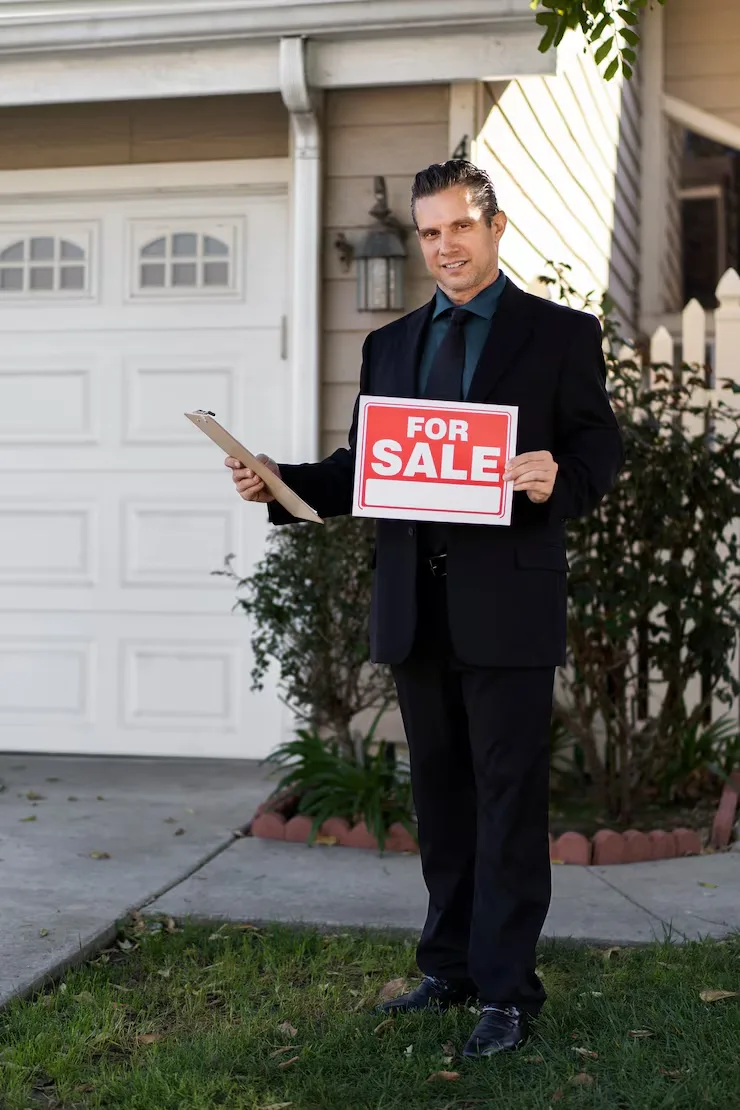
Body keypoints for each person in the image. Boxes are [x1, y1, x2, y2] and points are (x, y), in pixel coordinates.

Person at [226, 160, 623, 1059]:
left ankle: (509, 991)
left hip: (509, 605)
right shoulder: (391, 345)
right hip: (416, 605)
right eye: (431, 231)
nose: (445, 246)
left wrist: (560, 479)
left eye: (460, 228)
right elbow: (367, 465)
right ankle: (448, 967)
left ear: (496, 227)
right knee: (441, 798)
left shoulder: (560, 334)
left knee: (509, 800)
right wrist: (280, 483)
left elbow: (600, 447)